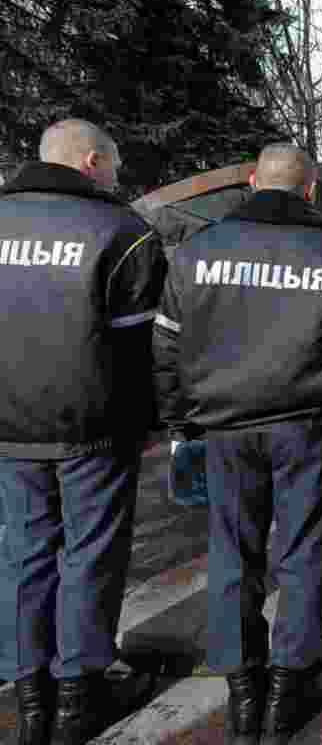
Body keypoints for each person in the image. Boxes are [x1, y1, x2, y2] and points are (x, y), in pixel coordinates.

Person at [152, 143, 322, 745]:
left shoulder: (199, 251)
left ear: (252, 182)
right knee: (302, 553)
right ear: (309, 190)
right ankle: (290, 681)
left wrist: (181, 425)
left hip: (225, 427)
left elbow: (167, 349)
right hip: (306, 425)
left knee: (233, 554)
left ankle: (242, 687)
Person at [0, 119, 164, 745]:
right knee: (89, 554)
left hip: (10, 425)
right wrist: (147, 425)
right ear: (92, 161)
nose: (117, 179)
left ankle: (29, 692)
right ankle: (80, 690)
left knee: (23, 550)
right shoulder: (121, 232)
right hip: (93, 427)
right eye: (114, 167)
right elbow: (138, 349)